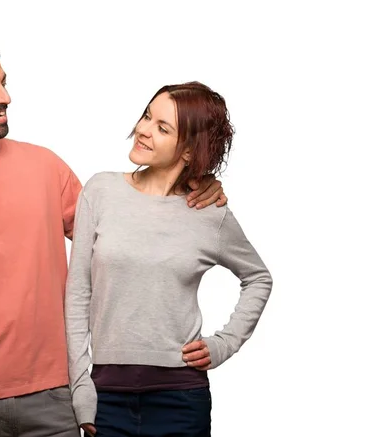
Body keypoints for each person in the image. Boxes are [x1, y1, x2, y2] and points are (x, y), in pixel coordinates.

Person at [0, 33, 228, 437]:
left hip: (54, 390)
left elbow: (123, 232)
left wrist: (192, 182)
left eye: (3, 82)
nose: (7, 97)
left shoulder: (44, 165)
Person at [65, 81, 273, 437]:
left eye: (162, 128)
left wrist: (224, 344)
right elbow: (78, 292)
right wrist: (80, 385)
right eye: (148, 116)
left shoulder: (209, 213)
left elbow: (258, 278)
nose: (143, 130)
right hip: (106, 396)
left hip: (181, 398)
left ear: (189, 150)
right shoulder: (100, 191)